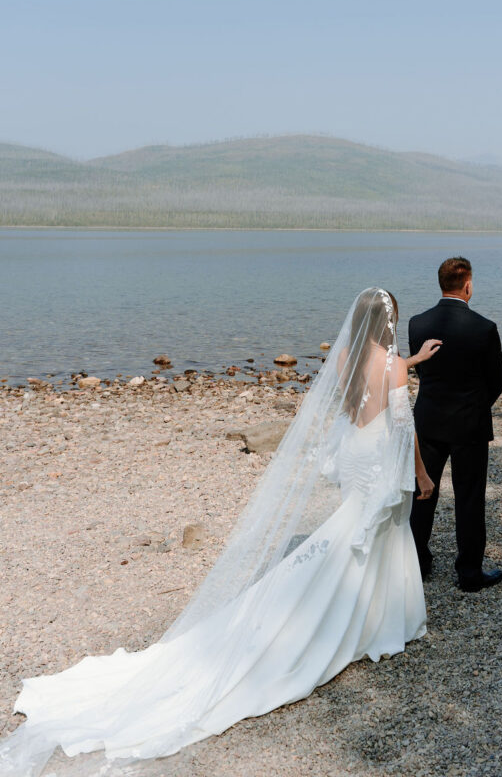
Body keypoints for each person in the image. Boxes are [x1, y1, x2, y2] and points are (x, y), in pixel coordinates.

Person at [0, 289, 438, 777]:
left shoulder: (342, 358)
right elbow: (403, 427)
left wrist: (409, 362)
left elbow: (351, 399)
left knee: (352, 527)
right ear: (390, 322)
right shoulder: (394, 368)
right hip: (377, 451)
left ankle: (366, 614)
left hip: (356, 449)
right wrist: (420, 474)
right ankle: (376, 619)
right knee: (375, 530)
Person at [409, 257, 502, 592]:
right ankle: (469, 573)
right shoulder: (484, 327)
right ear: (468, 285)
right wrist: (473, 407)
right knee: (469, 497)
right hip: (469, 425)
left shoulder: (417, 323)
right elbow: (497, 382)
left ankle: (417, 564)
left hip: (429, 421)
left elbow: (421, 371)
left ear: (441, 285)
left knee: (422, 493)